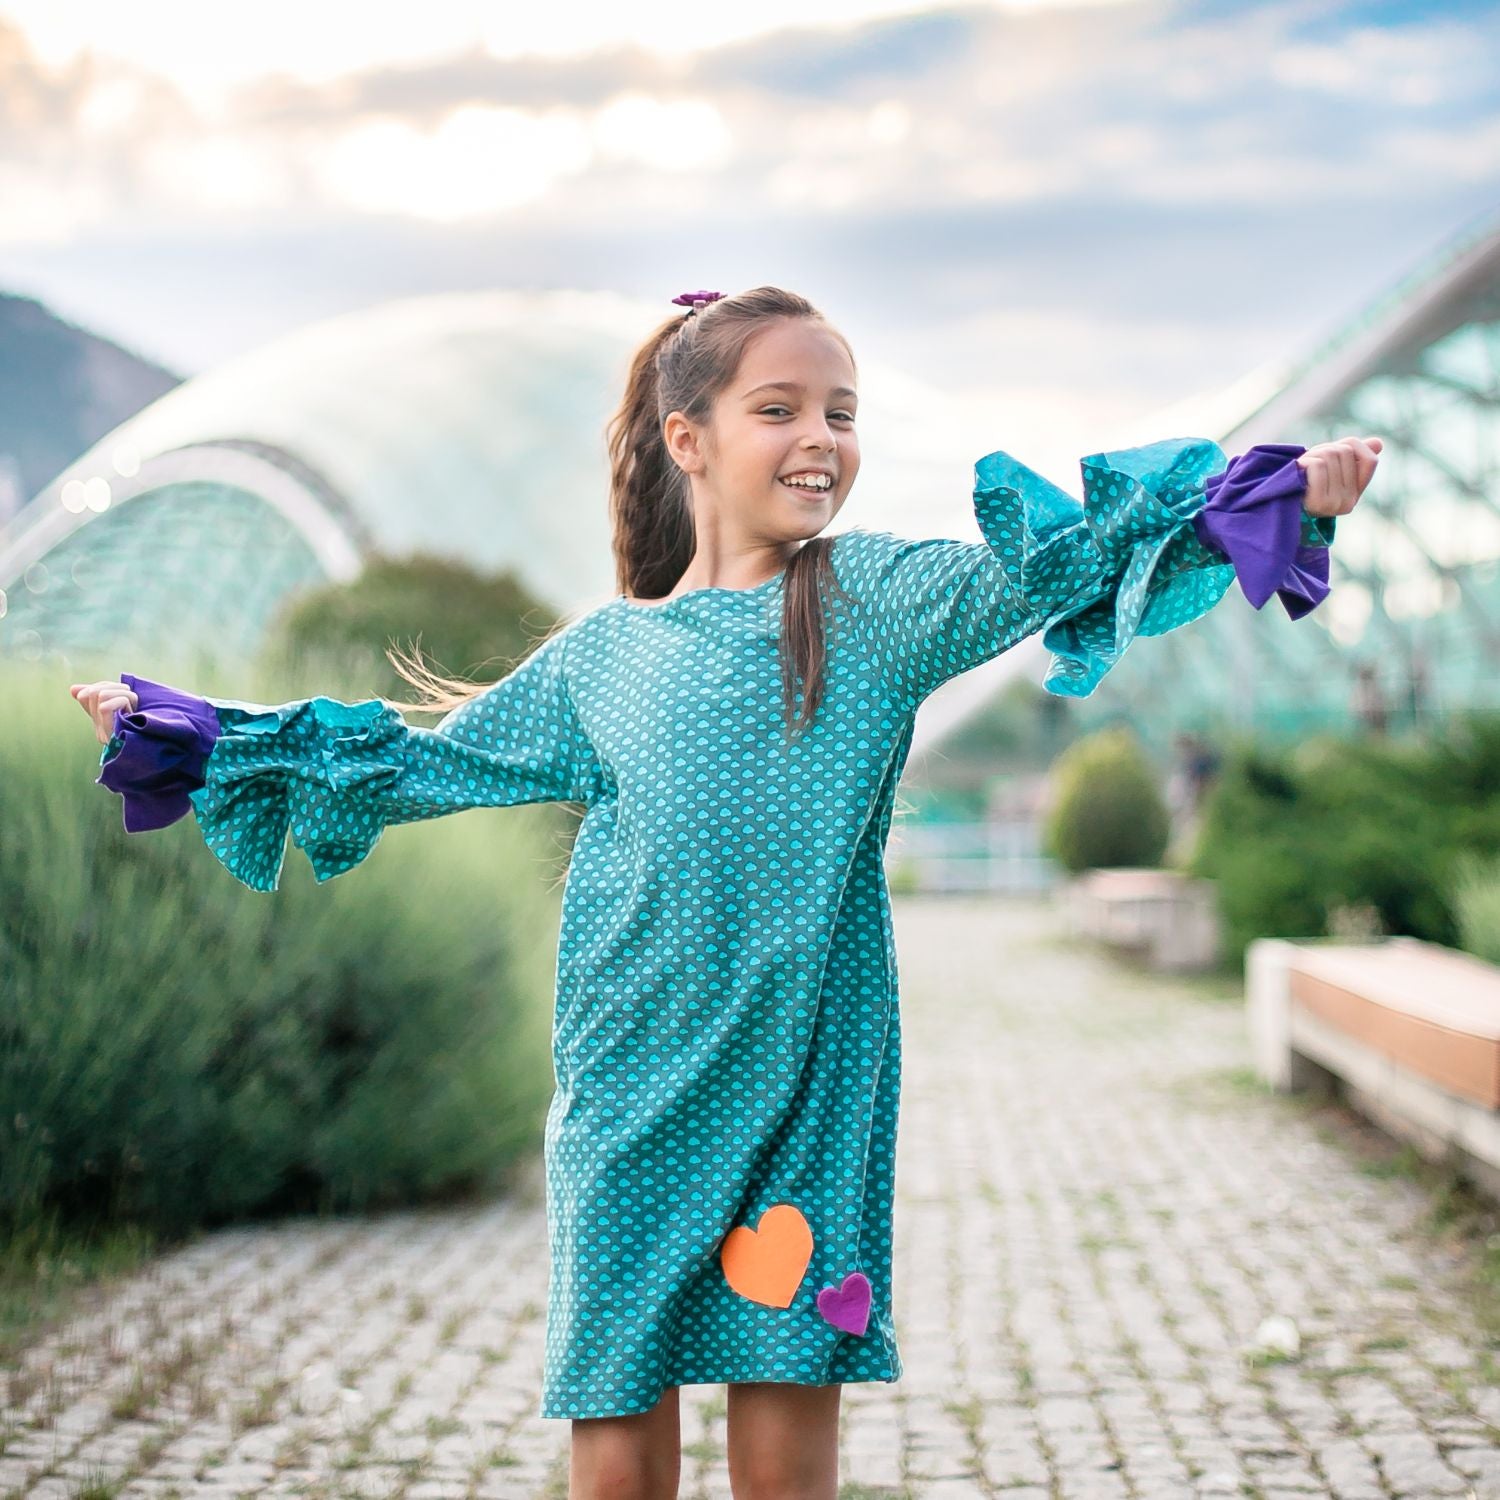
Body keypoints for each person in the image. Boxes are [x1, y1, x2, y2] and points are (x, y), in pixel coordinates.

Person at [71, 285, 1380, 1500]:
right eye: (783, 409)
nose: (823, 438)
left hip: (808, 1090)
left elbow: (1065, 559)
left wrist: (1262, 494)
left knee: (783, 1428)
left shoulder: (877, 603)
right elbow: (412, 764)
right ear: (686, 438)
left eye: (841, 413)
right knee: (621, 1451)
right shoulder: (603, 660)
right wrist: (197, 736)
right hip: (629, 1089)